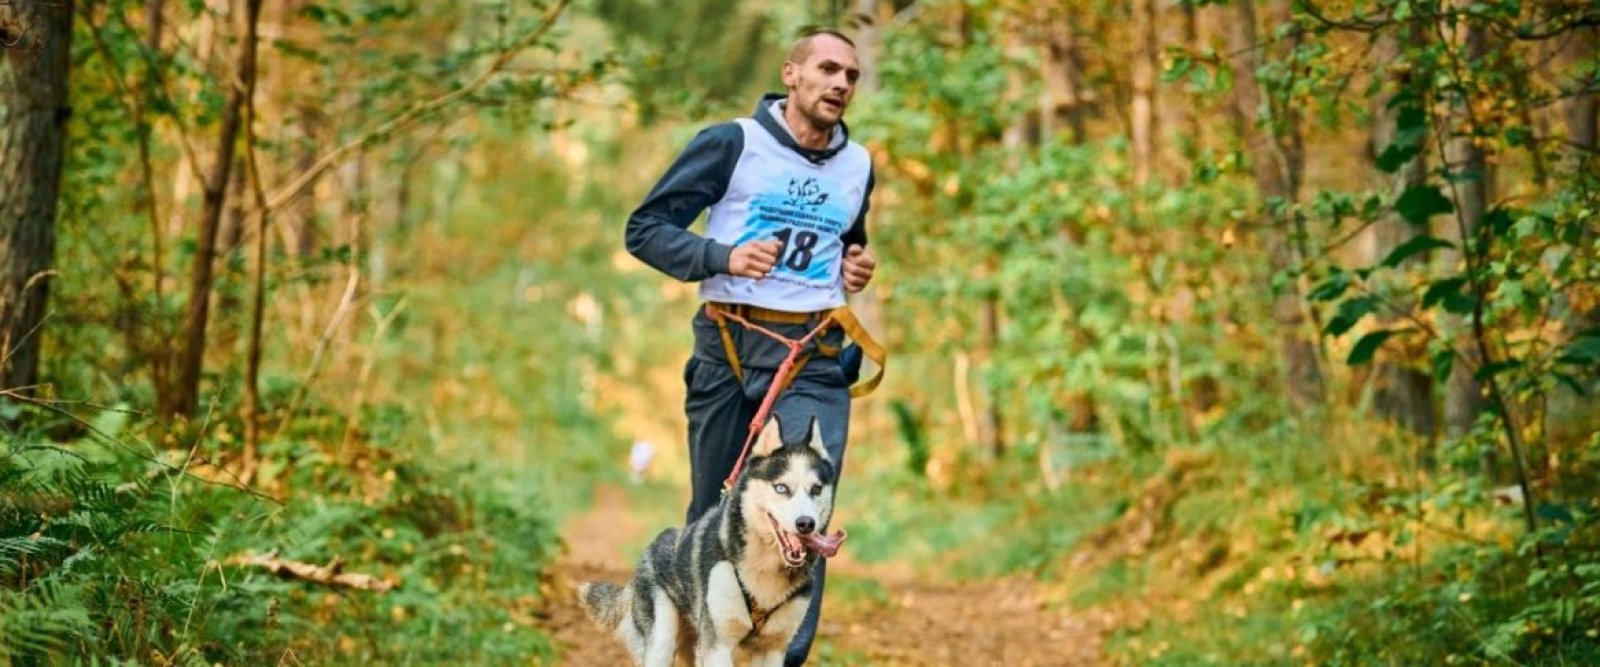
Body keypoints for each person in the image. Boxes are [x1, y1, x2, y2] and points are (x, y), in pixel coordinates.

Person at [623, 28, 877, 666]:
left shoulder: (859, 164)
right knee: (716, 511)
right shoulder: (733, 142)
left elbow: (847, 241)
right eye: (827, 69)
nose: (841, 84)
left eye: (850, 75)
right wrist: (722, 255)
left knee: (803, 510)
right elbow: (644, 229)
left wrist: (855, 266)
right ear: (791, 74)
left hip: (813, 355)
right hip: (727, 345)